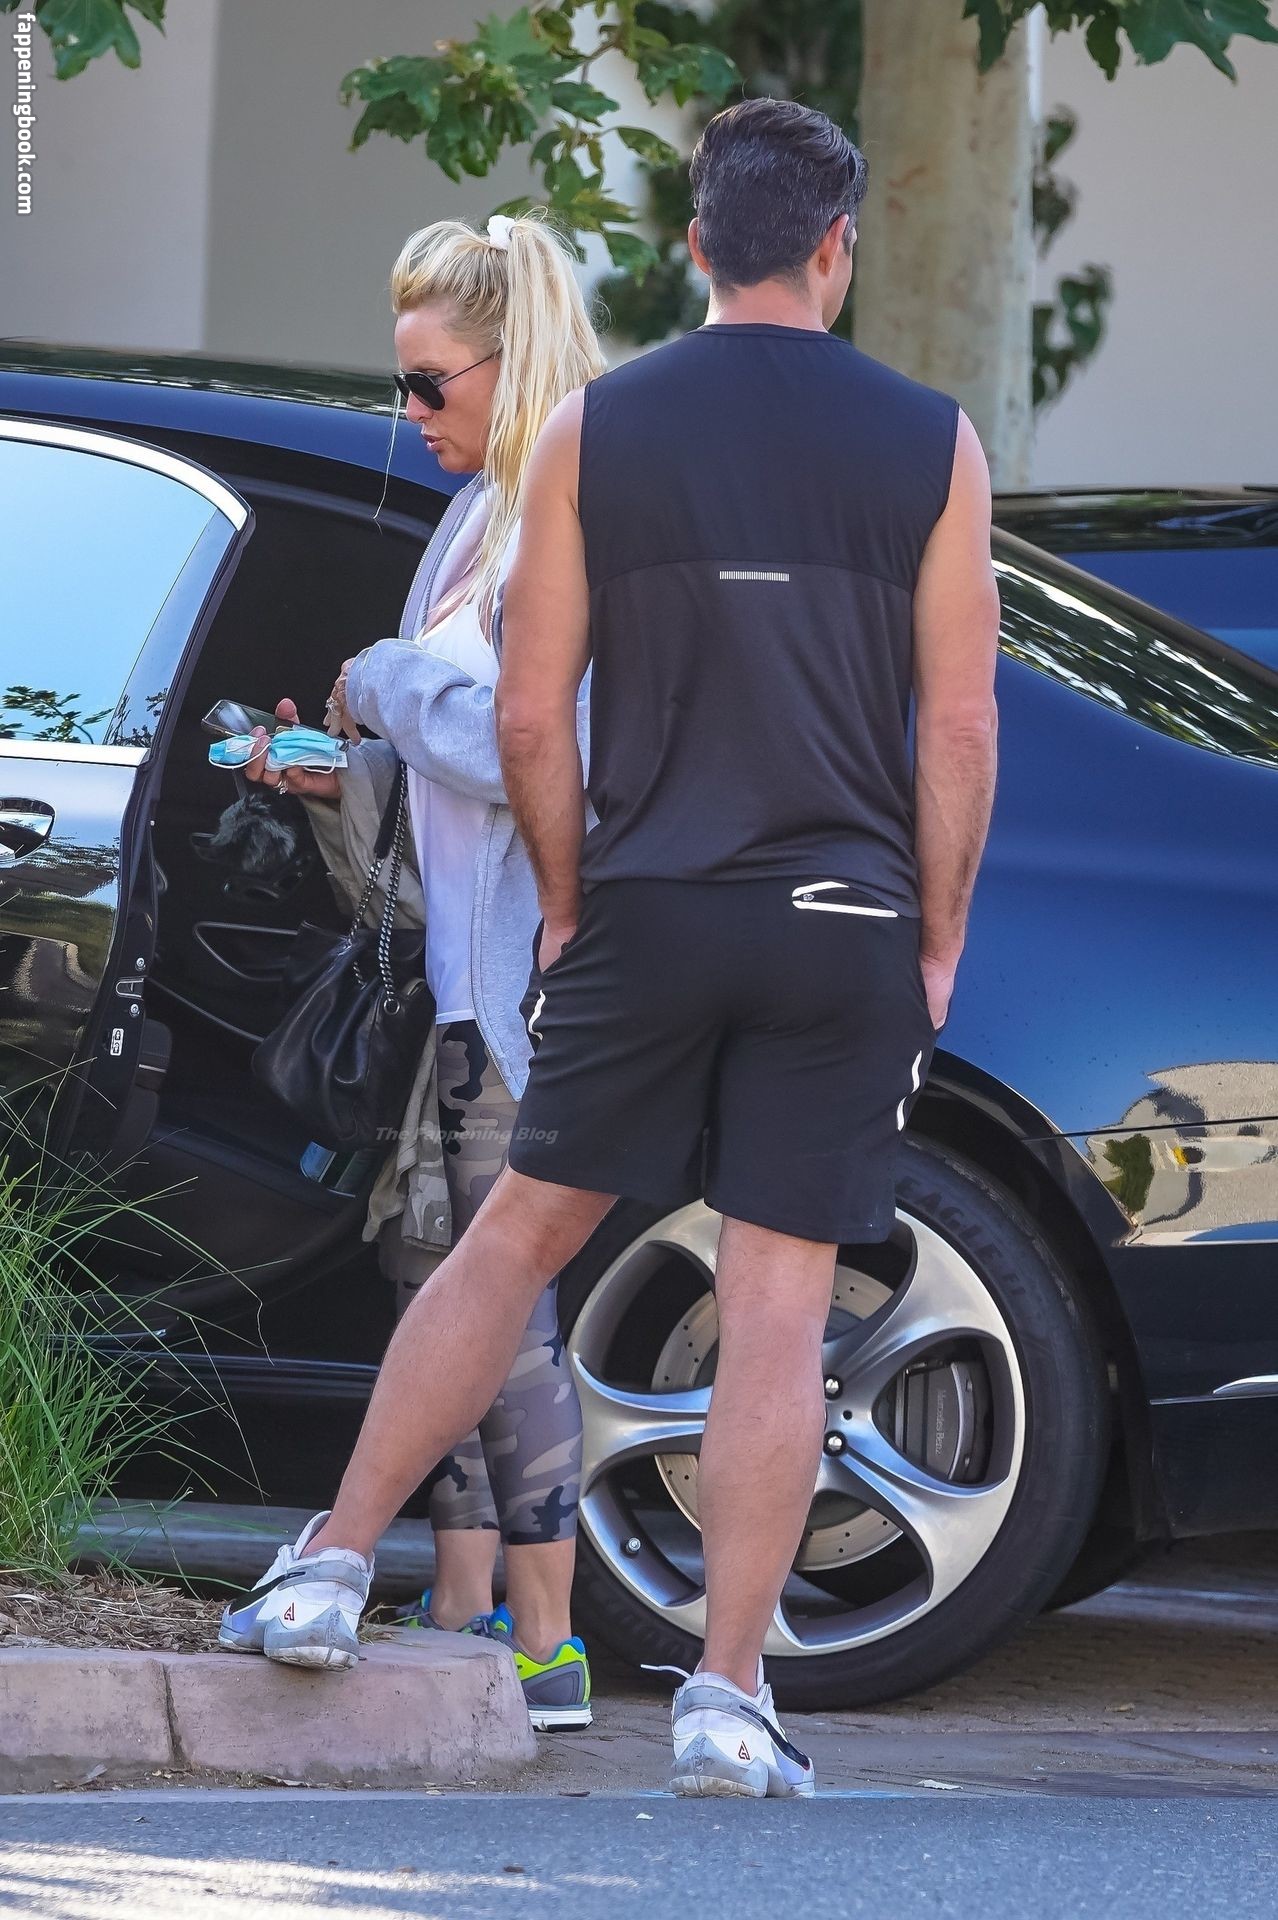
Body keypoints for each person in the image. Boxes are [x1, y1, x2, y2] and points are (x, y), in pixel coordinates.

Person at [228, 95, 1000, 1798]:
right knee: (778, 1308)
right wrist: (934, 939)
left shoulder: (595, 430)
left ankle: (328, 1567)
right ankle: (727, 1696)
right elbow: (957, 730)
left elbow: (525, 716)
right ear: (836, 248)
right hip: (841, 921)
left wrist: (572, 904)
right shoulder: (933, 443)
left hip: (646, 906)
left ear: (693, 245)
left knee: (511, 1241)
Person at [217, 210, 606, 1732]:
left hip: (520, 989)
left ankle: (548, 1644)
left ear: (512, 365)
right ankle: (461, 1606)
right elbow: (452, 775)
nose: (409, 412)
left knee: (502, 1301)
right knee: (433, 1283)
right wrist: (342, 773)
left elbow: (532, 748)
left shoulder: (563, 519)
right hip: (450, 976)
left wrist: (380, 685)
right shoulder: (474, 522)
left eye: (430, 383)